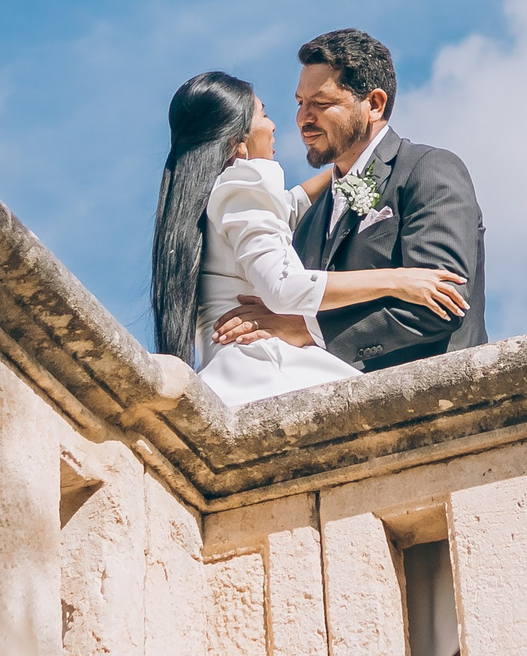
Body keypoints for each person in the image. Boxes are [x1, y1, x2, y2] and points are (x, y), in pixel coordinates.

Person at [151, 71, 469, 406]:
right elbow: (282, 286)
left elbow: (291, 206)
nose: (274, 125)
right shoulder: (243, 184)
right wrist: (397, 281)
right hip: (267, 368)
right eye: (263, 115)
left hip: (233, 371)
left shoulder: (205, 200)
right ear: (238, 142)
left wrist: (356, 161)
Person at [213, 29, 487, 372]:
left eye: (321, 104)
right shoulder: (310, 221)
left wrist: (307, 330)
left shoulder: (428, 169)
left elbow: (443, 301)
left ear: (374, 104)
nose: (303, 119)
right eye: (300, 103)